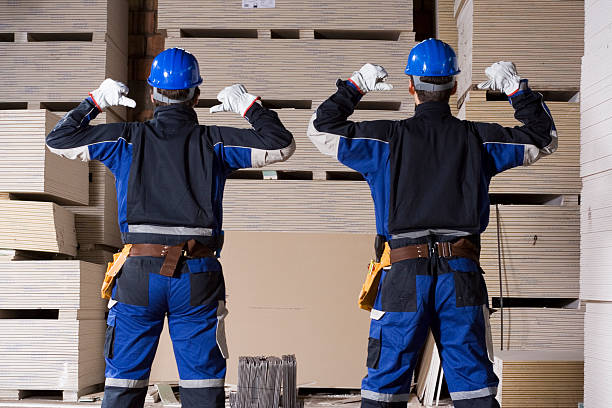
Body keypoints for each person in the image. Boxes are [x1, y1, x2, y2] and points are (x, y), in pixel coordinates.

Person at [307, 38, 557, 408]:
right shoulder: (478, 139)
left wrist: (355, 85)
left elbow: (321, 129)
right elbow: (544, 138)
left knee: (385, 384)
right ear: (454, 86)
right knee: (473, 385)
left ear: (412, 87)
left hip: (404, 274)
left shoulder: (386, 140)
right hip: (461, 276)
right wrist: (514, 87)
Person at [46, 47, 295, 408]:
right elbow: (281, 145)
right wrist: (248, 105)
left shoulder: (125, 138)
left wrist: (95, 102)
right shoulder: (215, 141)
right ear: (196, 95)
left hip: (137, 276)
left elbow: (59, 139)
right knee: (203, 385)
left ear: (151, 93)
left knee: (123, 383)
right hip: (196, 275)